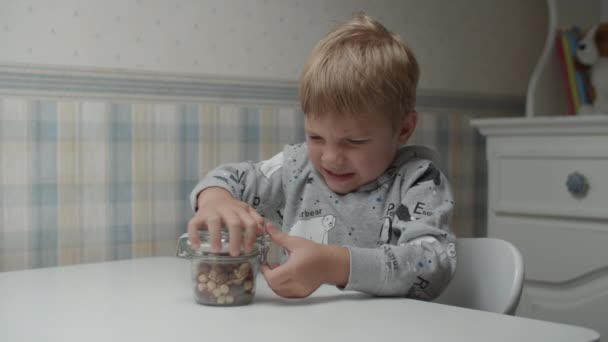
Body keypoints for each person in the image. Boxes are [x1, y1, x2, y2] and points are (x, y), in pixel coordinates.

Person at [187, 12, 456, 300]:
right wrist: (216, 199)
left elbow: (432, 265)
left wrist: (332, 265)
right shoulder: (297, 166)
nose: (330, 158)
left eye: (354, 141)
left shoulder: (419, 181)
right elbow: (230, 179)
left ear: (403, 129)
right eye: (315, 137)